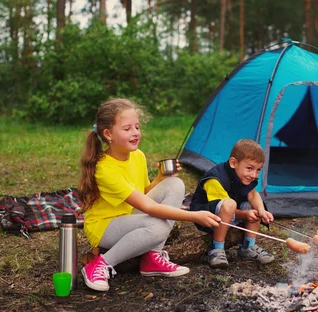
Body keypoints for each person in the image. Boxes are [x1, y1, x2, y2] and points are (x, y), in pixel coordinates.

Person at [77, 98, 220, 292]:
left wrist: (160, 178)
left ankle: (152, 257)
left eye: (137, 127)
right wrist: (194, 216)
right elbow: (148, 207)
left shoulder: (138, 156)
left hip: (130, 217)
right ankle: (100, 264)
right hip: (105, 228)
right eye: (127, 129)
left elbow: (143, 194)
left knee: (175, 183)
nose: (135, 133)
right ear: (108, 134)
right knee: (157, 227)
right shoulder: (104, 168)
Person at [190, 139, 275, 267]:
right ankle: (216, 248)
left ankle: (248, 246)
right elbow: (225, 207)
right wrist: (245, 215)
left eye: (258, 170)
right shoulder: (215, 179)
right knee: (229, 204)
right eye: (250, 168)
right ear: (233, 163)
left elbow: (252, 194)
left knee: (256, 203)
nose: (254, 175)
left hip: (228, 213)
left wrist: (261, 211)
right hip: (207, 216)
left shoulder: (244, 176)